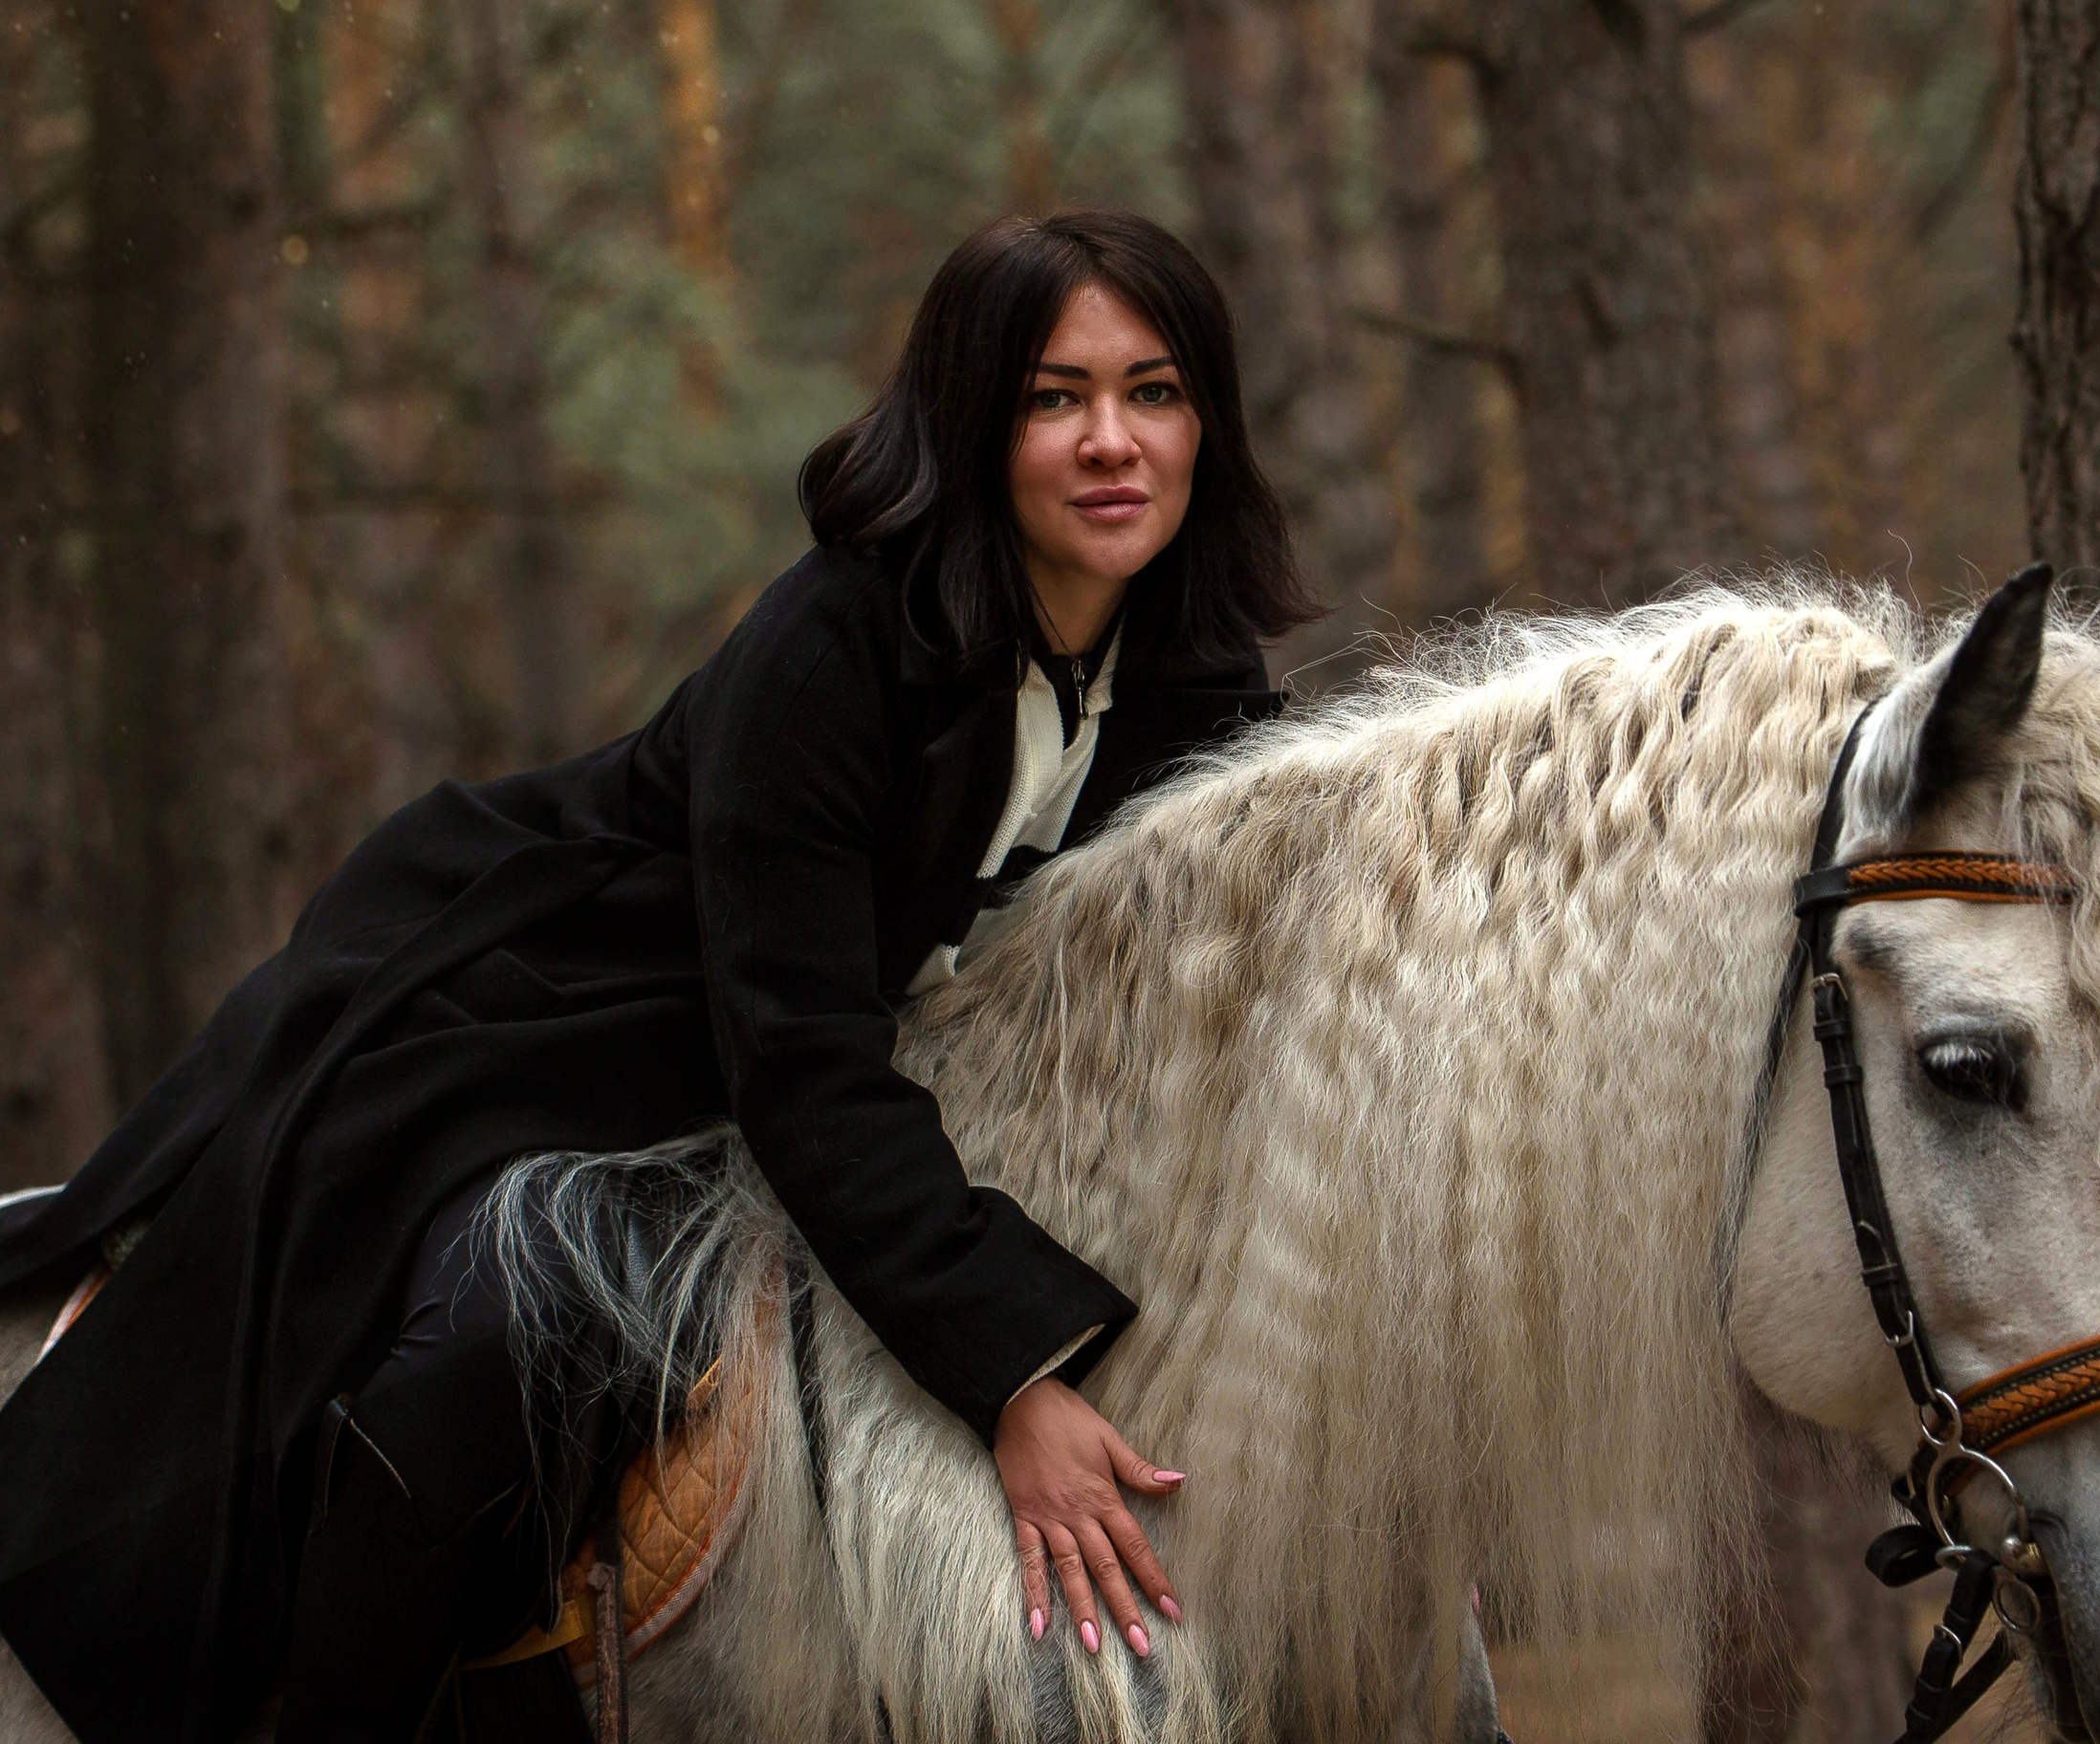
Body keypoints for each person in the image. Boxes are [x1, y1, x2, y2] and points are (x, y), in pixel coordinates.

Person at [0, 208, 1316, 1743]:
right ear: (971, 420)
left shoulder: (1201, 681)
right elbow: (799, 1059)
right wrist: (1013, 1381)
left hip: (815, 1070)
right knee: (488, 1347)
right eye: (1052, 398)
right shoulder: (831, 645)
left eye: (1154, 393)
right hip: (545, 1018)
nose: (1112, 442)